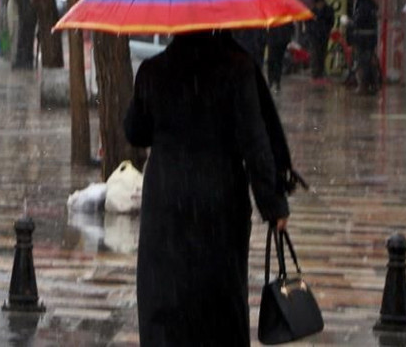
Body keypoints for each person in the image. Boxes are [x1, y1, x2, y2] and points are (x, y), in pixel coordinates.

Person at [124, 29, 289, 346]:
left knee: (165, 297)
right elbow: (255, 143)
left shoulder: (153, 70)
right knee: (220, 298)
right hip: (220, 198)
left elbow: (135, 132)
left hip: (166, 202)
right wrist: (273, 204)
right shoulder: (237, 68)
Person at [345, 0, 379, 94]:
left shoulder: (362, 7)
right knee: (369, 60)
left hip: (362, 39)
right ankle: (373, 84)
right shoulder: (371, 5)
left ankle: (362, 86)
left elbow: (358, 22)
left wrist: (349, 23)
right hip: (371, 39)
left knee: (361, 62)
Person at [307, 0, 335, 80]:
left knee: (322, 53)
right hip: (314, 36)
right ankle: (315, 72)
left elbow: (331, 21)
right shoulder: (312, 11)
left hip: (324, 35)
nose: (319, 5)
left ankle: (321, 71)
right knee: (315, 53)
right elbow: (307, 22)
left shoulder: (328, 10)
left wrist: (327, 29)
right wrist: (311, 30)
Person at [266, 22, 294, 92]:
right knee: (273, 61)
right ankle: (273, 81)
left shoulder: (285, 17)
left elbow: (291, 27)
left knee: (276, 61)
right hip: (276, 39)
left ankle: (275, 81)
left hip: (280, 39)